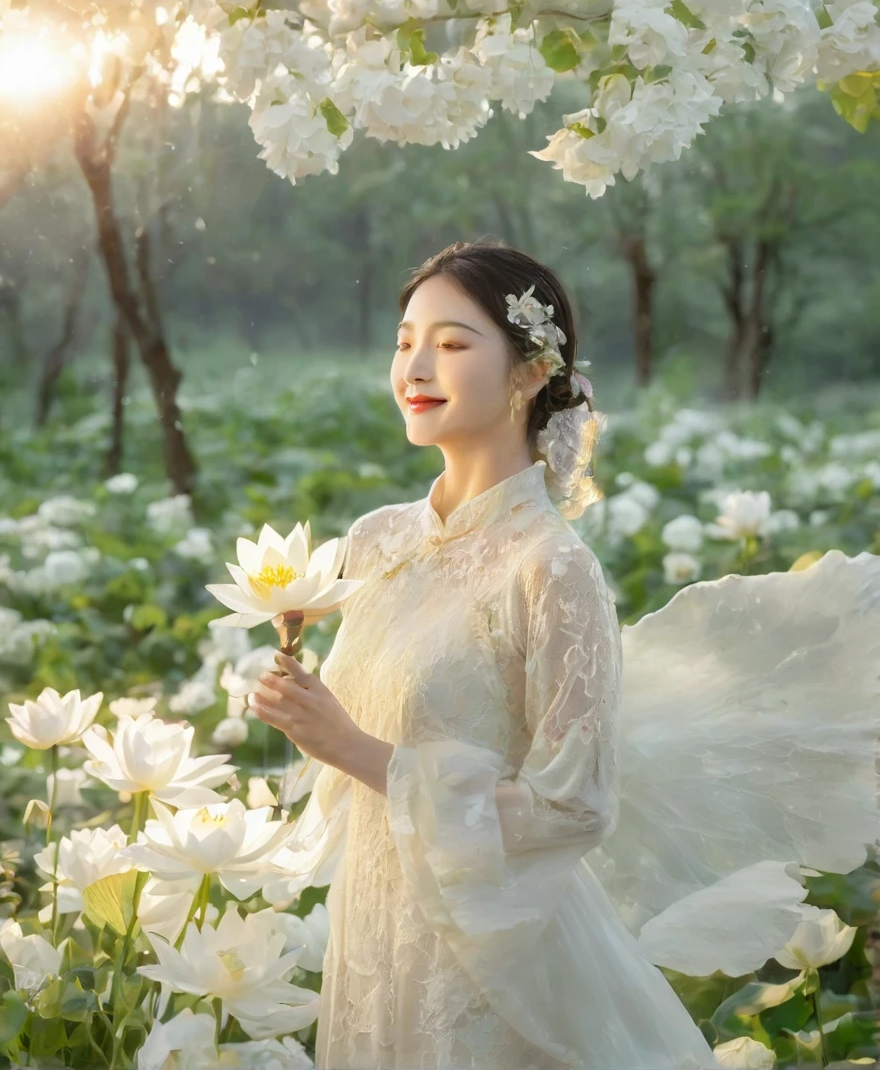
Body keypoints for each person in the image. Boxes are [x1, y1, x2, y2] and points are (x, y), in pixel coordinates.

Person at [250, 241, 880, 1070]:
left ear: (529, 371)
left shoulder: (551, 568)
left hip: (491, 957)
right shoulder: (377, 541)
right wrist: (303, 721)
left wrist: (359, 752)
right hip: (375, 924)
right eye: (405, 340)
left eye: (453, 342)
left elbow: (575, 804)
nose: (416, 365)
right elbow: (349, 739)